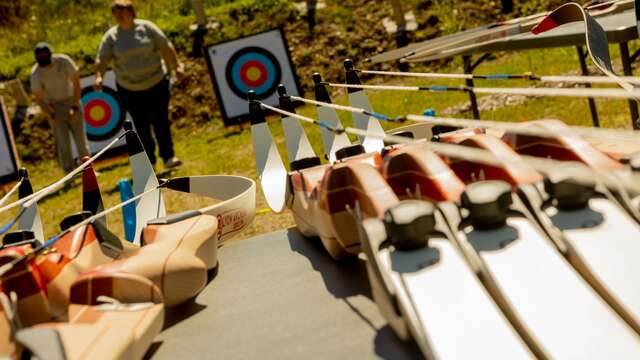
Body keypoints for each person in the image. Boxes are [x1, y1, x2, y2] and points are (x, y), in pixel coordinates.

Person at [95, 0, 184, 169]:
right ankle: (149, 161)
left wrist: (176, 67)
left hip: (157, 82)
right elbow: (102, 59)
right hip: (130, 89)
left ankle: (168, 157)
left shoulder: (147, 27)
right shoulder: (111, 36)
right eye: (115, 12)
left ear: (131, 11)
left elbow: (166, 47)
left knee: (161, 121)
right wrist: (99, 76)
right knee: (141, 126)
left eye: (122, 10)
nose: (119, 15)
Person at [30, 43, 90, 174]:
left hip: (71, 100)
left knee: (81, 141)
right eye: (40, 56)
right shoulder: (36, 73)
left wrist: (74, 107)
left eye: (45, 55)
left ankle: (88, 170)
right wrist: (51, 115)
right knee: (63, 144)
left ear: (50, 54)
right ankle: (69, 173)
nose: (43, 58)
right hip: (54, 107)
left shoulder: (64, 61)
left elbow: (76, 83)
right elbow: (39, 99)